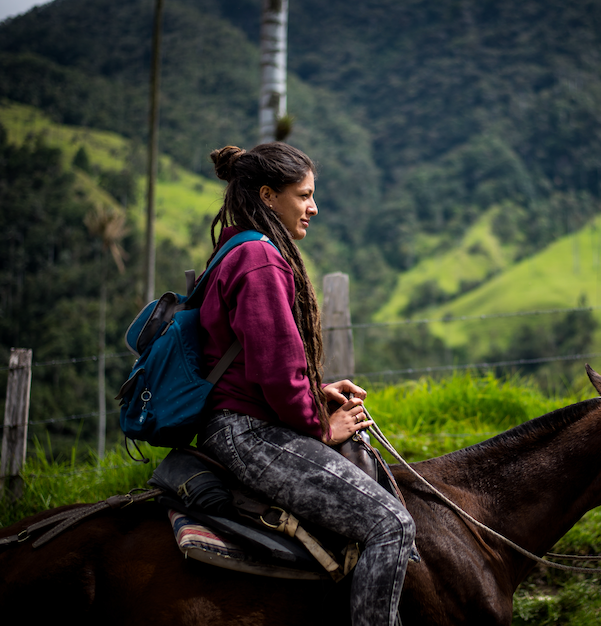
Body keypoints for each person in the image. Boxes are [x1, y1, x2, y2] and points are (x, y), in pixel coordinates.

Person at [197, 143, 415, 626]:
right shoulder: (260, 258)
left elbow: (261, 361)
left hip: (235, 419)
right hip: (248, 432)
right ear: (268, 195)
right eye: (304, 195)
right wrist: (321, 426)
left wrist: (317, 390)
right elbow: (275, 371)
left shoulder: (238, 247)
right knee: (392, 526)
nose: (313, 207)